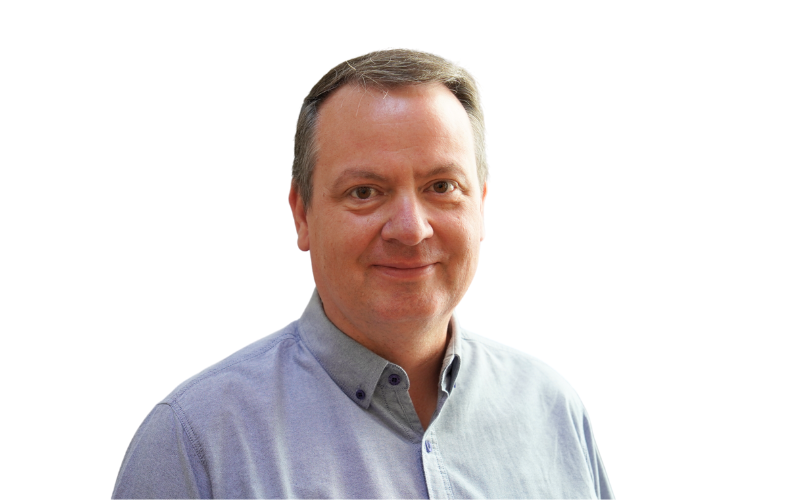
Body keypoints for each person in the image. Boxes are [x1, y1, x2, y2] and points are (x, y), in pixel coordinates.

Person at [112, 49, 614, 499]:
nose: (411, 229)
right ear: (302, 213)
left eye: (442, 185)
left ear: (480, 206)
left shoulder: (553, 412)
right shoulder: (196, 444)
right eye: (365, 192)